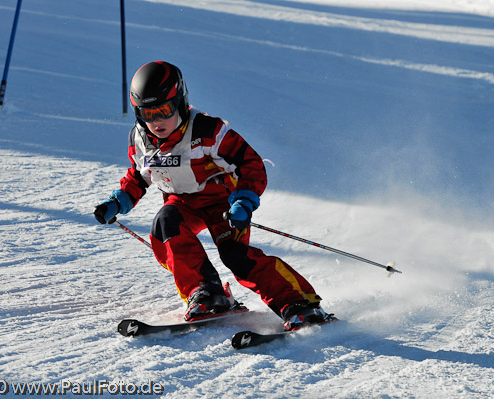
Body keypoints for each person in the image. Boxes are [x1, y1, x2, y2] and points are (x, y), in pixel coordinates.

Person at [94, 61, 334, 330]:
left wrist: (244, 199)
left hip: (223, 203)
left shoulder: (208, 131)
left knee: (235, 255)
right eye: (147, 114)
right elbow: (139, 175)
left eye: (163, 111)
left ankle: (301, 304)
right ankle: (208, 294)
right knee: (166, 224)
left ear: (181, 102)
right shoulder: (141, 139)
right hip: (183, 204)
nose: (157, 122)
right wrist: (119, 201)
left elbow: (250, 164)